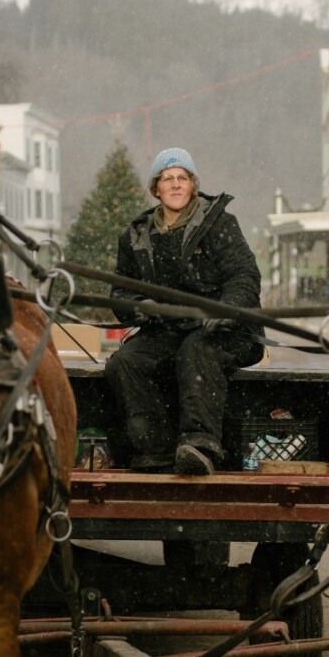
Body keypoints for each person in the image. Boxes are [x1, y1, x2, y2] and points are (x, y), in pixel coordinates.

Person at [104, 148, 265, 475]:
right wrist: (140, 307)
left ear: (192, 185)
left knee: (195, 350)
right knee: (125, 362)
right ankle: (154, 452)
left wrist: (227, 308)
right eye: (168, 178)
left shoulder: (219, 224)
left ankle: (199, 446)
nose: (176, 185)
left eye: (183, 178)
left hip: (223, 332)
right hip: (166, 331)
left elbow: (244, 276)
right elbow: (121, 290)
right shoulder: (135, 235)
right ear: (156, 189)